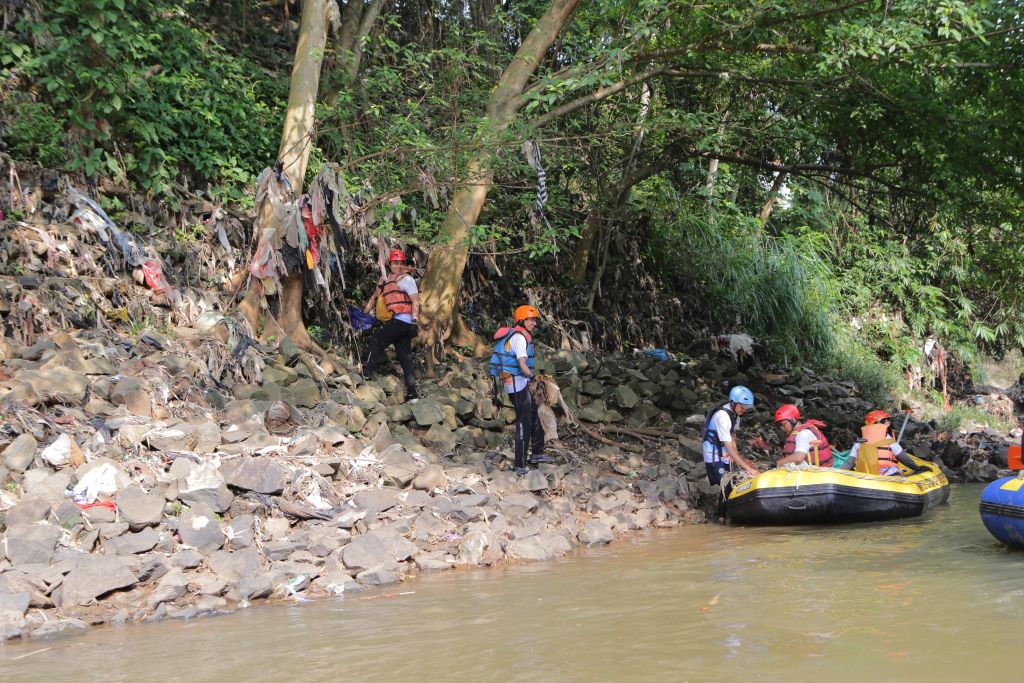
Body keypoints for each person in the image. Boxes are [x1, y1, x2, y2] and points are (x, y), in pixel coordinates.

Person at [488, 305, 552, 476]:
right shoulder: (519, 338)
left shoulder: (520, 335)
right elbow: (522, 364)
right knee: (523, 422)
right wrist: (532, 377)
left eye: (535, 320)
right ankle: (519, 464)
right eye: (531, 320)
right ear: (522, 320)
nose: (534, 323)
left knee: (534, 416)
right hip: (517, 385)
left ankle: (537, 453)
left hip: (519, 383)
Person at [362, 248, 419, 400]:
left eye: (401, 263)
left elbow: (415, 302)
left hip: (403, 321)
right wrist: (363, 316)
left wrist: (415, 321)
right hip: (398, 322)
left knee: (376, 340)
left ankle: (366, 372)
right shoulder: (385, 280)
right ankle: (412, 394)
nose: (398, 266)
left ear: (404, 264)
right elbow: (374, 298)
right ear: (390, 264)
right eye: (395, 263)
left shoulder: (407, 279)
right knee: (404, 357)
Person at [701, 385, 760, 486]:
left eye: (746, 408)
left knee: (730, 479)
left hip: (723, 450)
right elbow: (729, 448)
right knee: (723, 483)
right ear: (733, 402)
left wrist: (736, 455)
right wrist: (748, 469)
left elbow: (732, 434)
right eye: (742, 406)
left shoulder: (735, 414)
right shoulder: (723, 417)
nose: (744, 410)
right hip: (713, 452)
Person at [849, 410, 925, 475]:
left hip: (864, 475)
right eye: (887, 420)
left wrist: (839, 474)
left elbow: (850, 463)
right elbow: (904, 459)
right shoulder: (888, 439)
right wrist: (918, 468)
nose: (889, 423)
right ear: (881, 423)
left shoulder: (860, 441)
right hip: (887, 474)